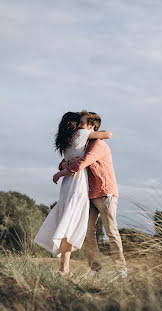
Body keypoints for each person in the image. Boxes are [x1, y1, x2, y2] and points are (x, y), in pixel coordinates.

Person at [34, 112, 112, 276]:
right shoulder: (82, 134)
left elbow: (63, 163)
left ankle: (65, 268)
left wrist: (64, 167)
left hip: (66, 185)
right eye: (78, 122)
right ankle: (65, 268)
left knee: (66, 221)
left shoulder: (66, 138)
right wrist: (91, 131)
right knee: (70, 224)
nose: (80, 124)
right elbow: (107, 134)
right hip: (78, 183)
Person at [61, 111, 128, 279]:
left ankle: (121, 271)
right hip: (90, 195)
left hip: (106, 193)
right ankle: (95, 269)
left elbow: (81, 164)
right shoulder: (84, 144)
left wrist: (60, 173)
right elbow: (65, 161)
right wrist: (66, 163)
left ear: (92, 127)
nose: (78, 126)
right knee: (87, 232)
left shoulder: (98, 145)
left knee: (111, 232)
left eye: (82, 123)